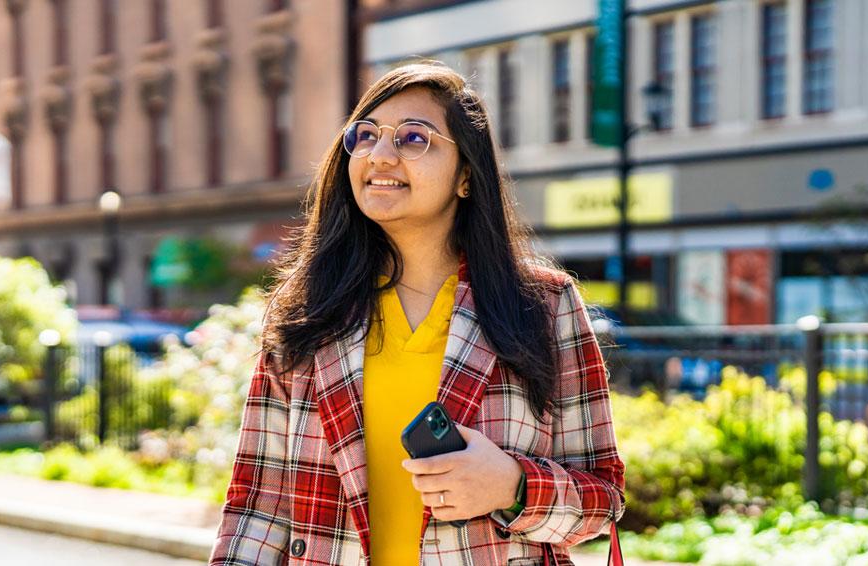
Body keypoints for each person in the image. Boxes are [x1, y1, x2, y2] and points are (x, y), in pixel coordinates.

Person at [209, 61, 624, 565]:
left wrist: (511, 486)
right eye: (365, 136)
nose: (380, 155)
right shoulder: (308, 309)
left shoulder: (543, 305)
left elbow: (602, 499)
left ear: (466, 175)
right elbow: (256, 509)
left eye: (412, 139)